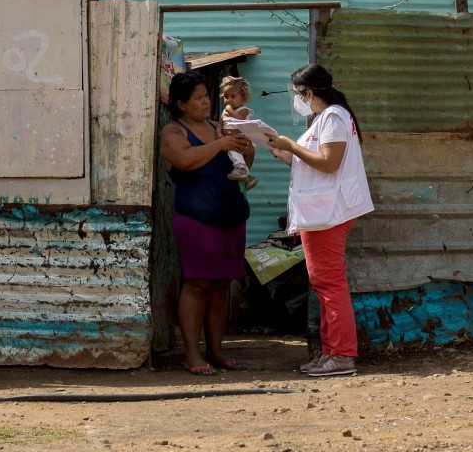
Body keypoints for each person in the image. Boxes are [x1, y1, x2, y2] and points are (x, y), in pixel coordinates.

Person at [266, 64, 375, 377]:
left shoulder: (333, 117)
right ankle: (330, 352)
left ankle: (341, 355)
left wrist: (292, 146)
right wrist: (283, 151)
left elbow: (329, 163)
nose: (297, 99)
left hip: (327, 214)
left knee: (329, 285)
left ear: (309, 92)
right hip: (320, 213)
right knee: (325, 283)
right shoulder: (325, 119)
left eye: (299, 93)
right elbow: (312, 164)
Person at [160, 71, 254, 375]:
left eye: (206, 96)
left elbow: (245, 161)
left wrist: (245, 143)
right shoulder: (173, 132)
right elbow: (185, 160)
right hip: (196, 220)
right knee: (198, 284)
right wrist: (221, 144)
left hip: (231, 217)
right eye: (198, 97)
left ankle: (215, 351)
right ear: (181, 104)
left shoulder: (220, 127)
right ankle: (192, 354)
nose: (205, 102)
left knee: (220, 286)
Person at [220, 75, 259, 191]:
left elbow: (239, 119)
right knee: (231, 152)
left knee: (234, 152)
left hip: (240, 138)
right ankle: (248, 178)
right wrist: (218, 133)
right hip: (230, 138)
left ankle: (241, 169)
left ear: (243, 98)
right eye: (226, 96)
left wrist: (229, 110)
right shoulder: (225, 111)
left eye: (233, 96)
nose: (228, 100)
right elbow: (220, 123)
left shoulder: (243, 110)